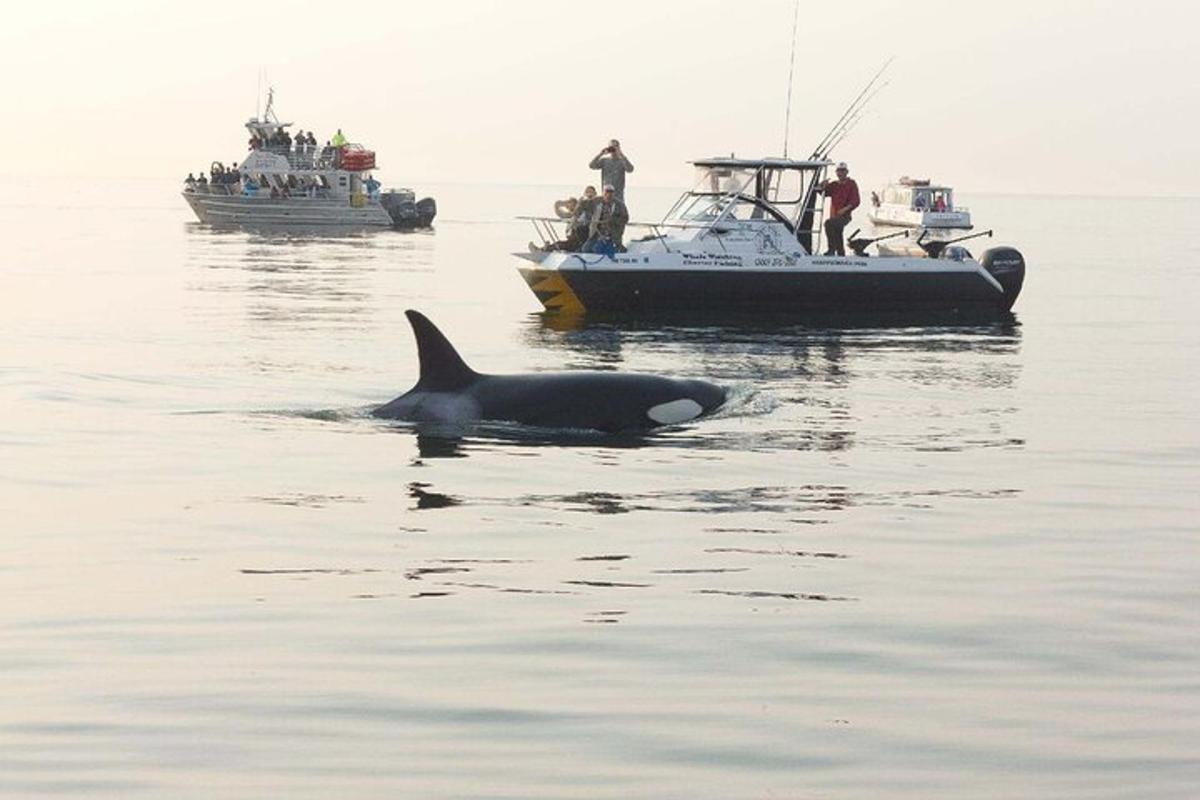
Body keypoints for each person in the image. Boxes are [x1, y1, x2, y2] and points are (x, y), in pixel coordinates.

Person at [818, 162, 860, 257]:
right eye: (839, 171)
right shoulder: (834, 185)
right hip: (834, 215)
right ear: (836, 172)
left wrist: (845, 209)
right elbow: (823, 192)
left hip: (845, 216)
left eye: (843, 171)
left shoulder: (851, 184)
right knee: (837, 233)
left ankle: (831, 250)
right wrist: (821, 185)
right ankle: (841, 254)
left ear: (847, 172)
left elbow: (856, 201)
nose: (840, 173)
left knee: (828, 224)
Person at [583, 185, 629, 255]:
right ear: (603, 193)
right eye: (606, 192)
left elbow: (625, 219)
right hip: (597, 233)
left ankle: (618, 249)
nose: (608, 195)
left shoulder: (619, 205)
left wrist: (614, 220)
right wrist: (575, 216)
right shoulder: (596, 201)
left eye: (611, 193)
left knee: (597, 249)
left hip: (611, 235)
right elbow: (582, 206)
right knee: (585, 248)